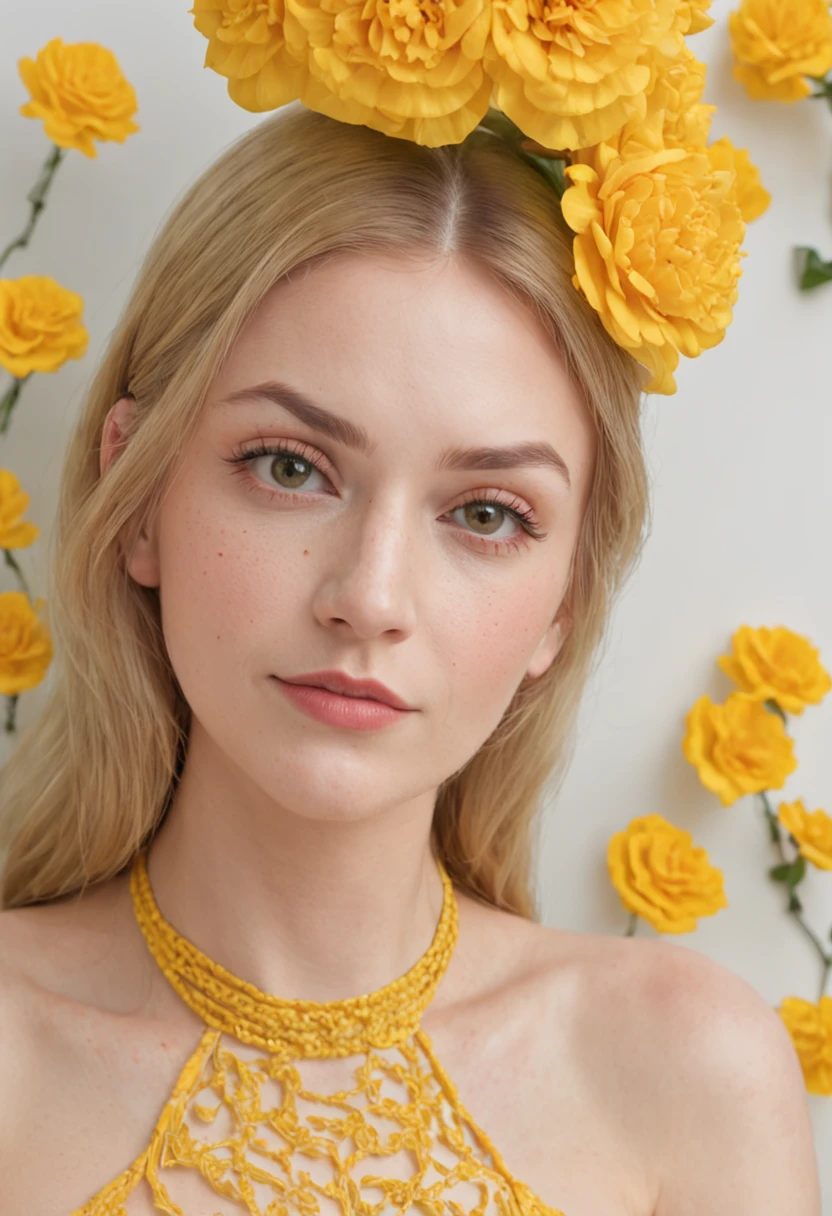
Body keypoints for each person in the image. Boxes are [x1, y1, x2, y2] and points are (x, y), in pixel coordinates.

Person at [0, 95, 820, 1216]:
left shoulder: (685, 1070)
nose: (370, 598)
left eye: (485, 514)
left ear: (563, 604)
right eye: (290, 466)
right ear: (137, 495)